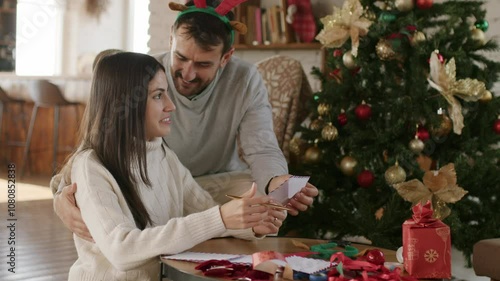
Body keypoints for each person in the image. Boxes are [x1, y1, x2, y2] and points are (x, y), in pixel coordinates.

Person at [52, 0, 318, 241]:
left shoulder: (245, 80)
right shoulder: (146, 75)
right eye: (180, 57)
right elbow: (96, 142)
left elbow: (261, 148)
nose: (187, 74)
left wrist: (276, 181)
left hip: (215, 184)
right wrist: (59, 197)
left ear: (226, 57)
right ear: (170, 39)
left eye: (203, 64)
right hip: (159, 184)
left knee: (258, 203)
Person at [62, 51, 279, 280]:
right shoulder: (90, 166)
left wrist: (251, 222)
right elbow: (122, 251)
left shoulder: (163, 154)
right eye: (158, 96)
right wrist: (221, 217)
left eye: (167, 93)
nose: (171, 106)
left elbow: (207, 215)